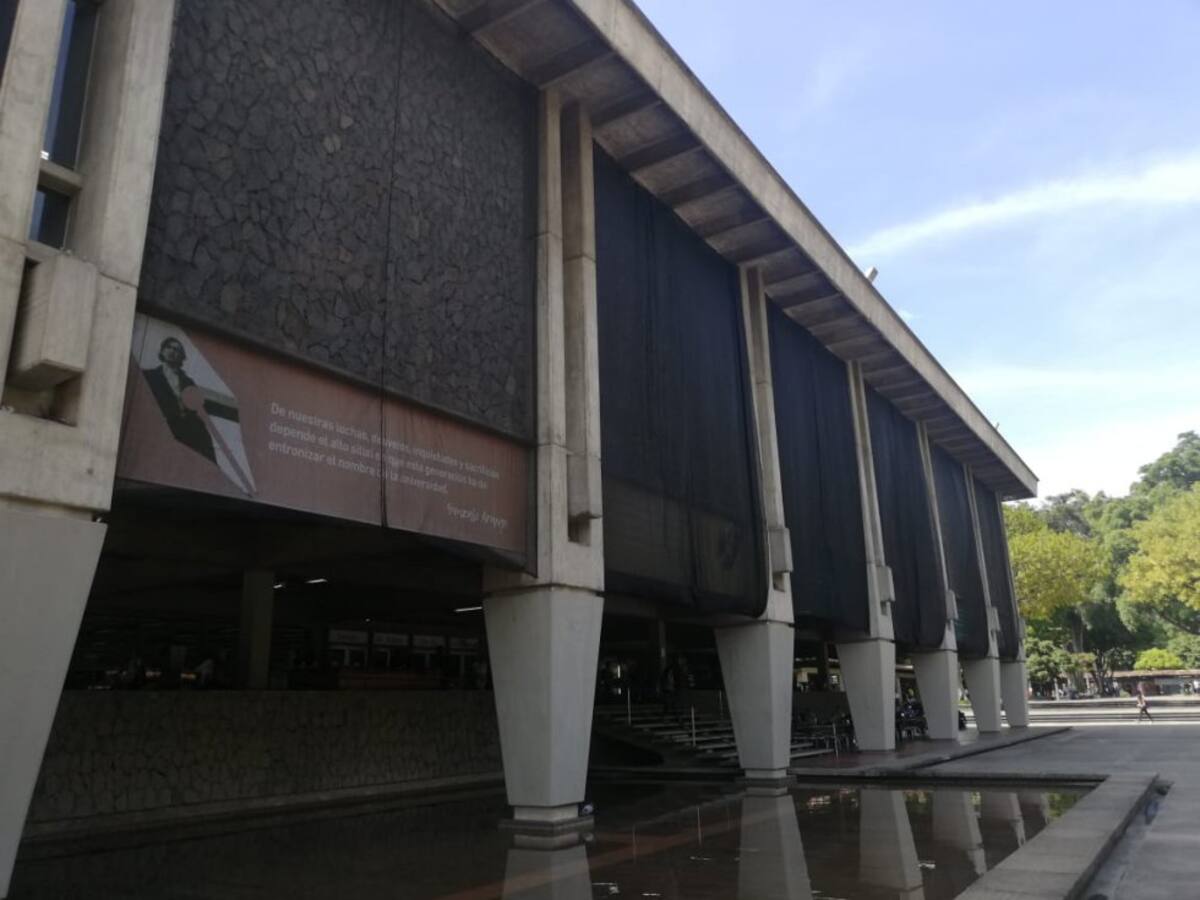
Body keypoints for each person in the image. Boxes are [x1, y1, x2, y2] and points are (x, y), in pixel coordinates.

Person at [142, 336, 216, 462]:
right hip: (165, 428)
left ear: (182, 357)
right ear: (162, 351)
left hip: (190, 431)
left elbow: (198, 408)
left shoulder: (189, 382)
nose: (172, 351)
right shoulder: (149, 376)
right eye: (169, 347)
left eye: (177, 350)